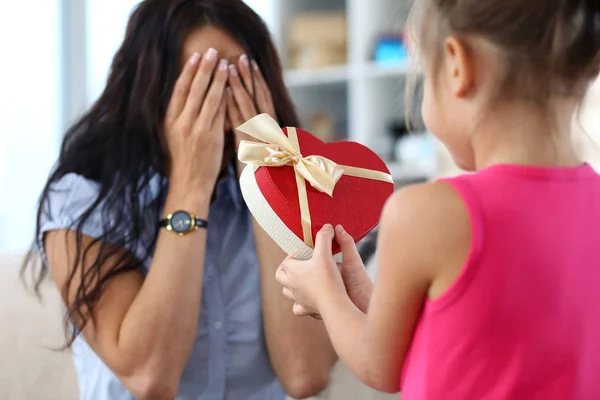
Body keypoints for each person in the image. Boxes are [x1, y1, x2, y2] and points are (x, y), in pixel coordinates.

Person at [275, 0, 600, 399]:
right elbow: (474, 336)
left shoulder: (429, 213)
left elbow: (380, 366)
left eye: (424, 75)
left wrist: (325, 295)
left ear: (457, 65)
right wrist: (365, 299)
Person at [21, 1, 337, 399]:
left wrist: (266, 189)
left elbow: (305, 374)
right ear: (150, 86)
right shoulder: (80, 200)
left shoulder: (301, 195)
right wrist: (190, 186)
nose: (222, 106)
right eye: (203, 82)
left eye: (237, 81)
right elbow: (150, 376)